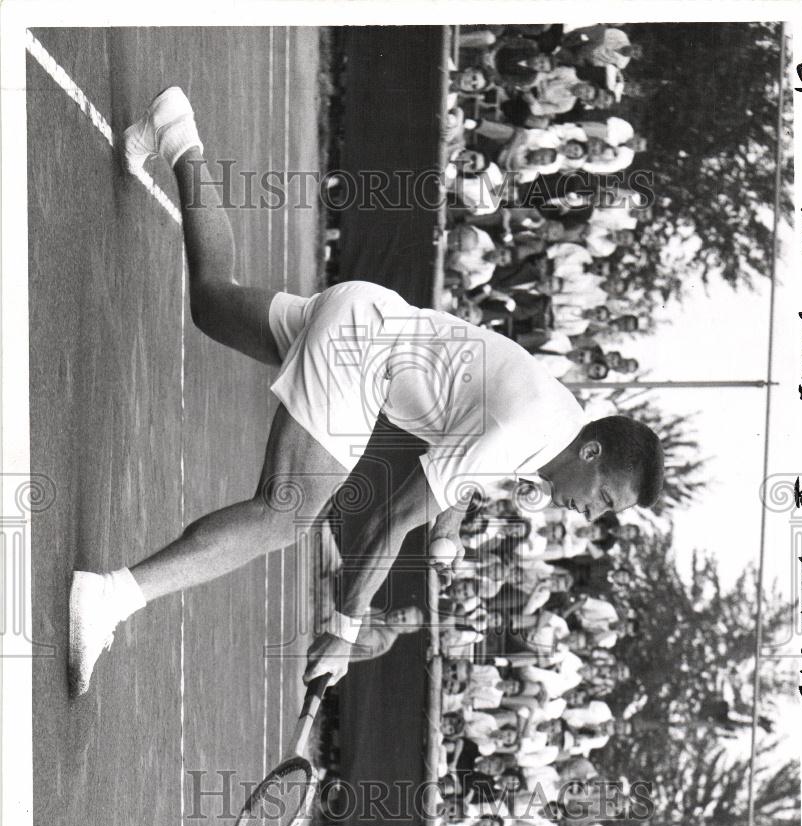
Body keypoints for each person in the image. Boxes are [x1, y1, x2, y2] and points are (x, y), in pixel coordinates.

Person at [69, 86, 664, 695]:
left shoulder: (559, 425)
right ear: (592, 455)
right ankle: (108, 596)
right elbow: (392, 520)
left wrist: (451, 531)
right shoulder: (529, 428)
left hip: (368, 316)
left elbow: (463, 475)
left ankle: (176, 133)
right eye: (603, 500)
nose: (590, 515)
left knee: (213, 302)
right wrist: (347, 629)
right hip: (363, 352)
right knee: (287, 513)